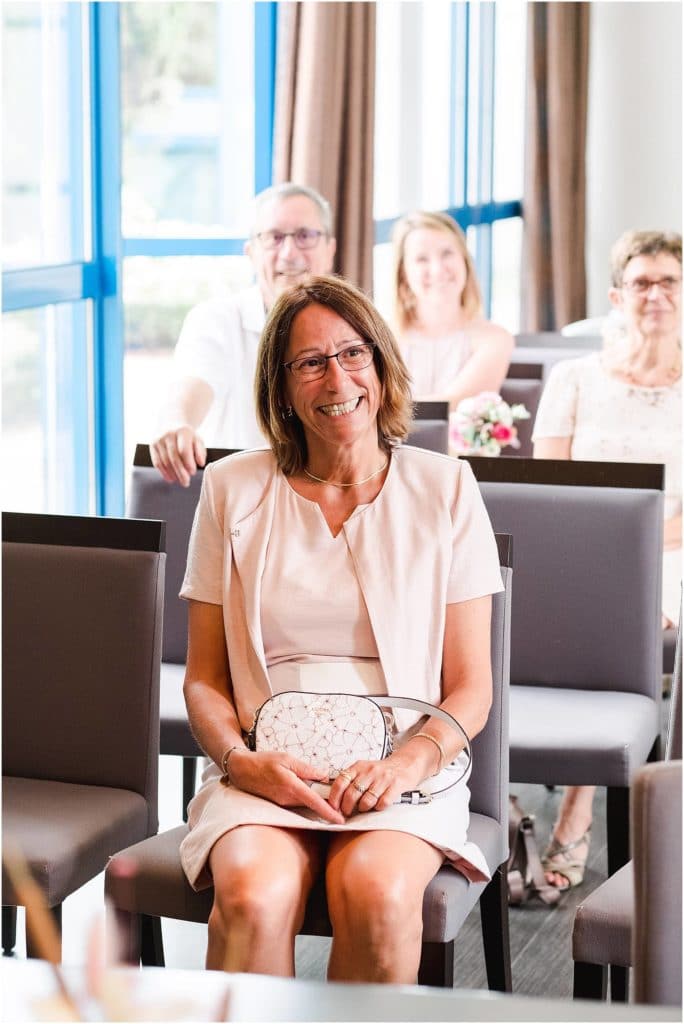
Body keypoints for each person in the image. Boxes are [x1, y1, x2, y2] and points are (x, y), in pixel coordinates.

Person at [178, 274, 504, 981]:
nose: (338, 378)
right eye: (310, 362)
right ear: (282, 387)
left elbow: (471, 687)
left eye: (353, 353)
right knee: (253, 896)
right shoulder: (231, 489)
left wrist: (403, 766)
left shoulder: (447, 488)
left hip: (403, 766)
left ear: (382, 368)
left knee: (377, 894)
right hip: (265, 764)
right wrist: (241, 763)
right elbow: (203, 678)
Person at [532, 229, 682, 892]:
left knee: (639, 616)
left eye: (669, 281)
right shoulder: (573, 379)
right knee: (593, 608)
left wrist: (644, 543)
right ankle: (567, 797)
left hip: (675, 550)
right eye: (643, 282)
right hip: (584, 553)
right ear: (619, 297)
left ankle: (586, 802)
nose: (656, 294)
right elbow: (547, 493)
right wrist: (608, 550)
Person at [150, 182, 336, 485]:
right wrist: (177, 423)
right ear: (251, 253)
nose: (289, 253)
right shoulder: (216, 319)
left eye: (305, 236)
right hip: (243, 505)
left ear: (330, 249)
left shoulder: (357, 325)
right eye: (274, 238)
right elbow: (191, 384)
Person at [391, 210, 514, 409]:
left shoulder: (495, 339)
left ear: (464, 260)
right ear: (404, 273)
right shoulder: (383, 338)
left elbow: (450, 406)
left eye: (447, 253)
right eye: (422, 259)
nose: (438, 270)